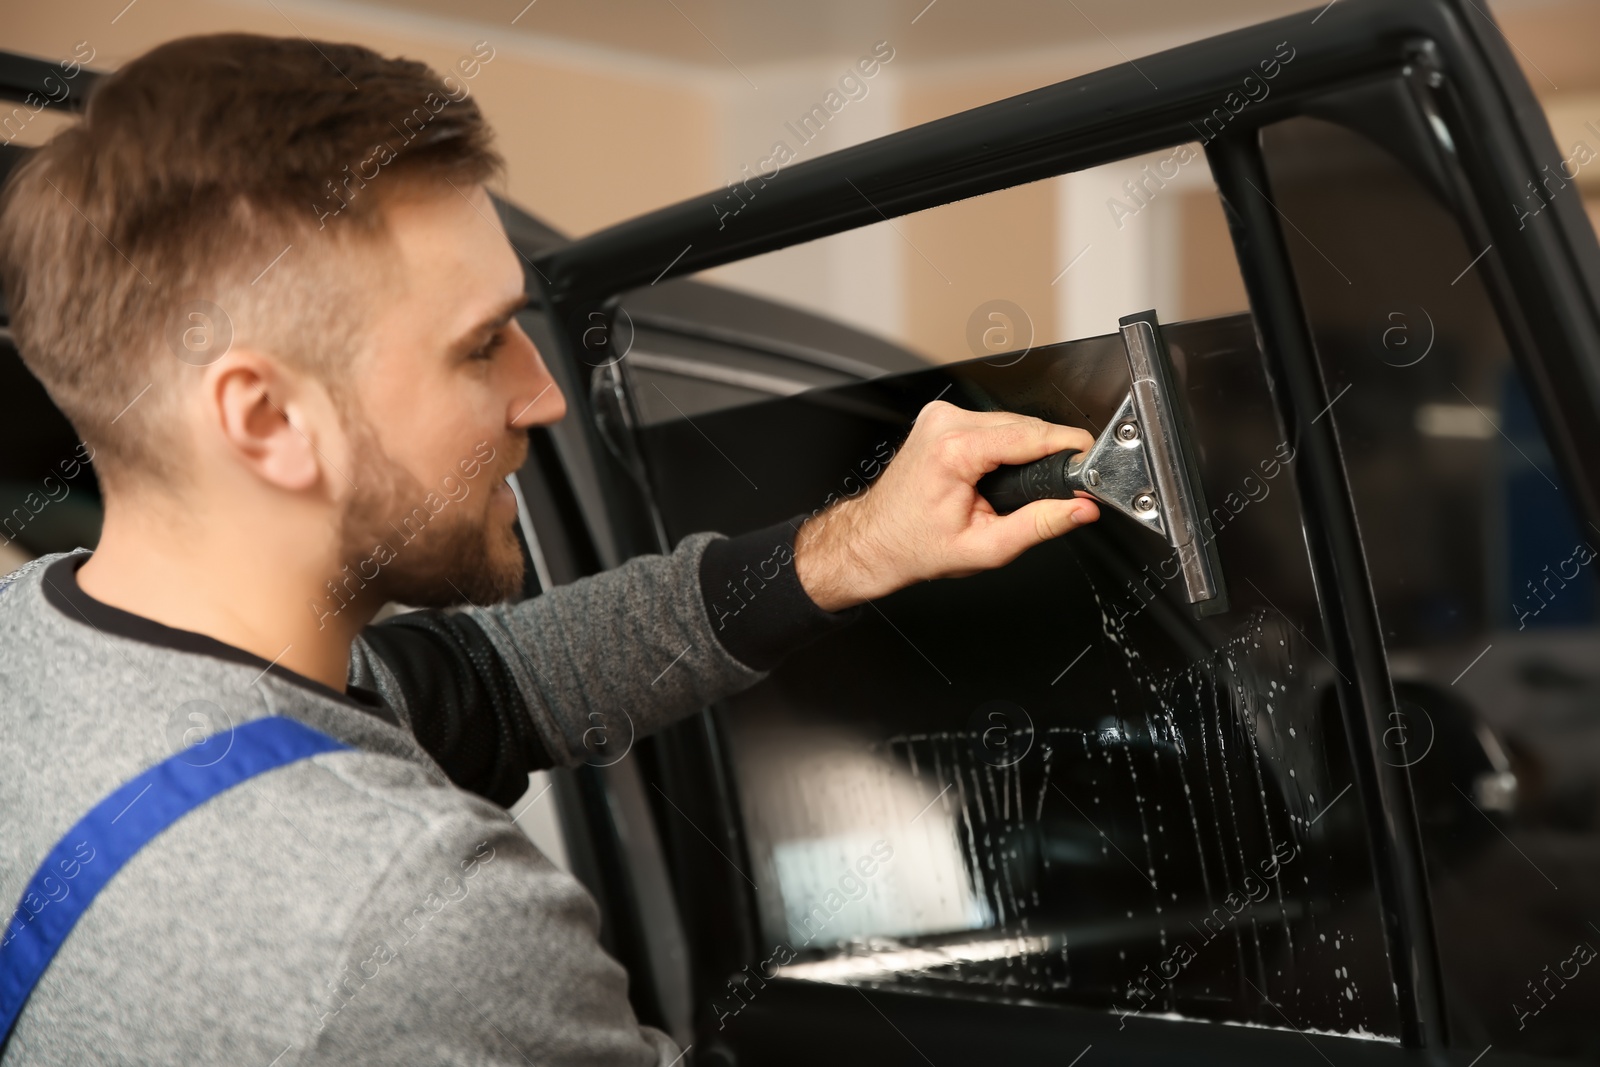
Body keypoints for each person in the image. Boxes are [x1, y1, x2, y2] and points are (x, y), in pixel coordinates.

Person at [0, 33, 1099, 1065]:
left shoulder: (46, 648)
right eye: (481, 344)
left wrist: (851, 547)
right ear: (266, 419)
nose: (542, 394)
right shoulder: (426, 920)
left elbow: (493, 679)